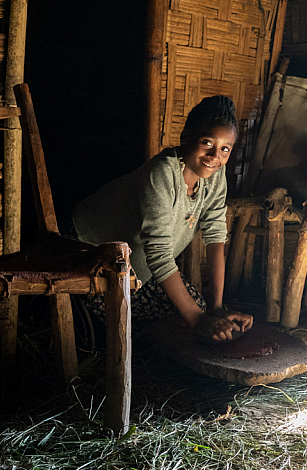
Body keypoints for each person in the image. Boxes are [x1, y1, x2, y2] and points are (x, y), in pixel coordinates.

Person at [72, 95, 253, 341]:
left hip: (136, 264)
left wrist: (217, 309)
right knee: (164, 322)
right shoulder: (162, 175)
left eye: (225, 149)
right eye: (207, 142)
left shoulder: (215, 178)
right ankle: (80, 311)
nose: (215, 156)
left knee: (196, 307)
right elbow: (158, 253)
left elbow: (215, 235)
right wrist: (198, 320)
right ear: (186, 138)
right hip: (90, 251)